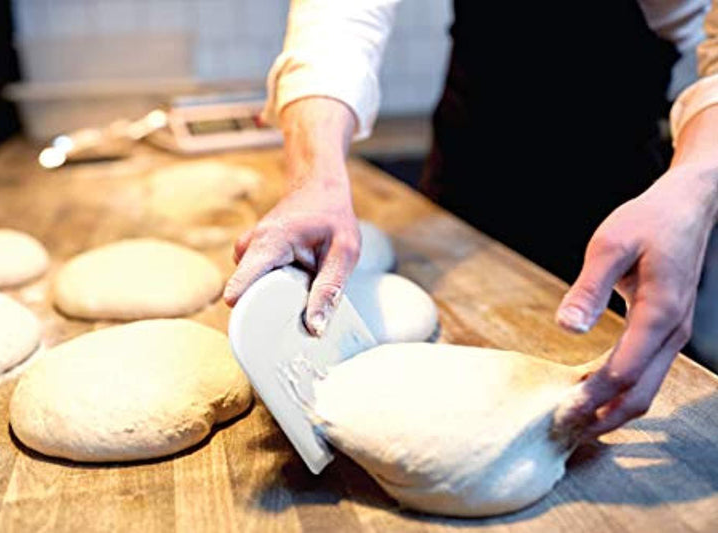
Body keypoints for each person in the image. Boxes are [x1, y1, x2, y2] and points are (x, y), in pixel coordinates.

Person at [223, 0, 718, 441]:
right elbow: (340, 19)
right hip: (472, 161)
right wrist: (317, 177)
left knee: (625, 360)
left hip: (621, 196)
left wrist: (697, 182)